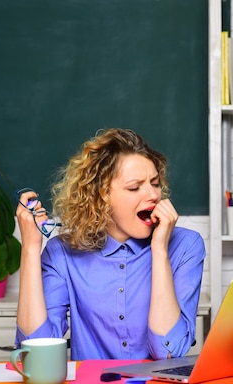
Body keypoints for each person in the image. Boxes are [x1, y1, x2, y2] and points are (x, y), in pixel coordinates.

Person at [14, 128, 206, 361]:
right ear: (101, 197)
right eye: (134, 187)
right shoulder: (61, 253)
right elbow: (35, 353)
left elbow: (167, 352)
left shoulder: (186, 246)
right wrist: (31, 249)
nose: (153, 195)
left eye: (155, 183)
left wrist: (160, 250)